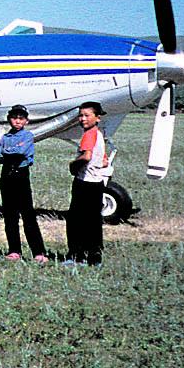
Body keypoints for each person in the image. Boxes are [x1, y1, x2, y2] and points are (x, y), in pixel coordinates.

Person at [0, 104, 47, 263]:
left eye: (21, 118)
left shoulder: (27, 136)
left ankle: (39, 252)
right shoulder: (5, 138)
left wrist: (7, 154)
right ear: (9, 120)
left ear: (26, 121)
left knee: (28, 215)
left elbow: (21, 153)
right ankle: (14, 250)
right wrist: (10, 154)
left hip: (21, 176)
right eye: (14, 118)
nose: (17, 121)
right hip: (7, 176)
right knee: (10, 215)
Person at [65, 101, 109, 267]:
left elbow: (87, 156)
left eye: (86, 115)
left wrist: (73, 165)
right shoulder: (99, 134)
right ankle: (94, 256)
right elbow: (104, 161)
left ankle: (76, 256)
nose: (82, 119)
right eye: (81, 115)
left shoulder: (89, 134)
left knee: (76, 220)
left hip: (84, 183)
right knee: (93, 222)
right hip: (97, 183)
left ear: (97, 118)